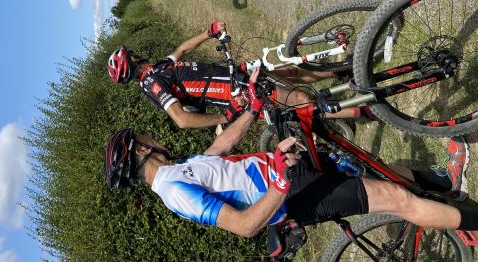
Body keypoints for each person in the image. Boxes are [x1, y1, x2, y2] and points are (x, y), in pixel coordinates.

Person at [104, 106, 476, 242]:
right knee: (397, 199)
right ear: (141, 150)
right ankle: (470, 221)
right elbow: (243, 225)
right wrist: (281, 182)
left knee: (370, 165)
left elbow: (218, 149)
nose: (150, 136)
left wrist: (252, 108)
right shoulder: (174, 192)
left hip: (289, 168)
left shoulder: (176, 170)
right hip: (294, 195)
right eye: (143, 138)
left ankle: (446, 185)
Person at [107, 20, 370, 129]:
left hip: (236, 74)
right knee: (300, 99)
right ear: (130, 65)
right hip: (236, 91)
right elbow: (182, 119)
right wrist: (223, 117)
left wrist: (208, 33)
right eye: (131, 55)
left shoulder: (158, 68)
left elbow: (182, 49)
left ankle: (341, 71)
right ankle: (362, 111)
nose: (136, 53)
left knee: (290, 72)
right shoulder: (152, 84)